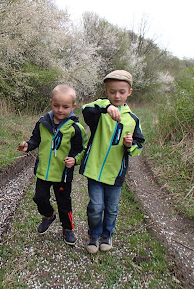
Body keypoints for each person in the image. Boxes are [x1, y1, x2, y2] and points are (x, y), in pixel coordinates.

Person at [78, 70, 145, 254]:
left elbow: (139, 146)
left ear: (129, 92)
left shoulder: (133, 120)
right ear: (106, 91)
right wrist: (105, 107)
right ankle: (93, 235)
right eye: (112, 91)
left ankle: (107, 234)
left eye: (122, 92)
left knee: (111, 208)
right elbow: (86, 109)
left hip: (115, 173)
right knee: (95, 206)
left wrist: (130, 145)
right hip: (94, 169)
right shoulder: (99, 111)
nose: (117, 95)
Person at [18, 84, 87, 245]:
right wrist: (28, 145)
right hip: (43, 171)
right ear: (51, 103)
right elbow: (35, 139)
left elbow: (81, 149)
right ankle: (49, 215)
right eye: (56, 105)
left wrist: (75, 160)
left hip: (62, 174)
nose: (60, 110)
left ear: (73, 107)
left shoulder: (76, 128)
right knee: (39, 198)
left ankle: (68, 229)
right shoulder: (43, 122)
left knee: (64, 203)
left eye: (65, 107)